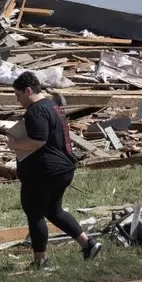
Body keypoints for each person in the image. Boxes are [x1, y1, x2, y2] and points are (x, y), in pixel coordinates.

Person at [7, 71, 102, 269]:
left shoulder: (36, 110)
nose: (18, 100)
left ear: (28, 90)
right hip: (62, 168)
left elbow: (38, 140)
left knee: (35, 213)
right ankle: (88, 244)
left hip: (45, 173)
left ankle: (41, 261)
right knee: (54, 210)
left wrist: (15, 144)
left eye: (18, 95)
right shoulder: (52, 105)